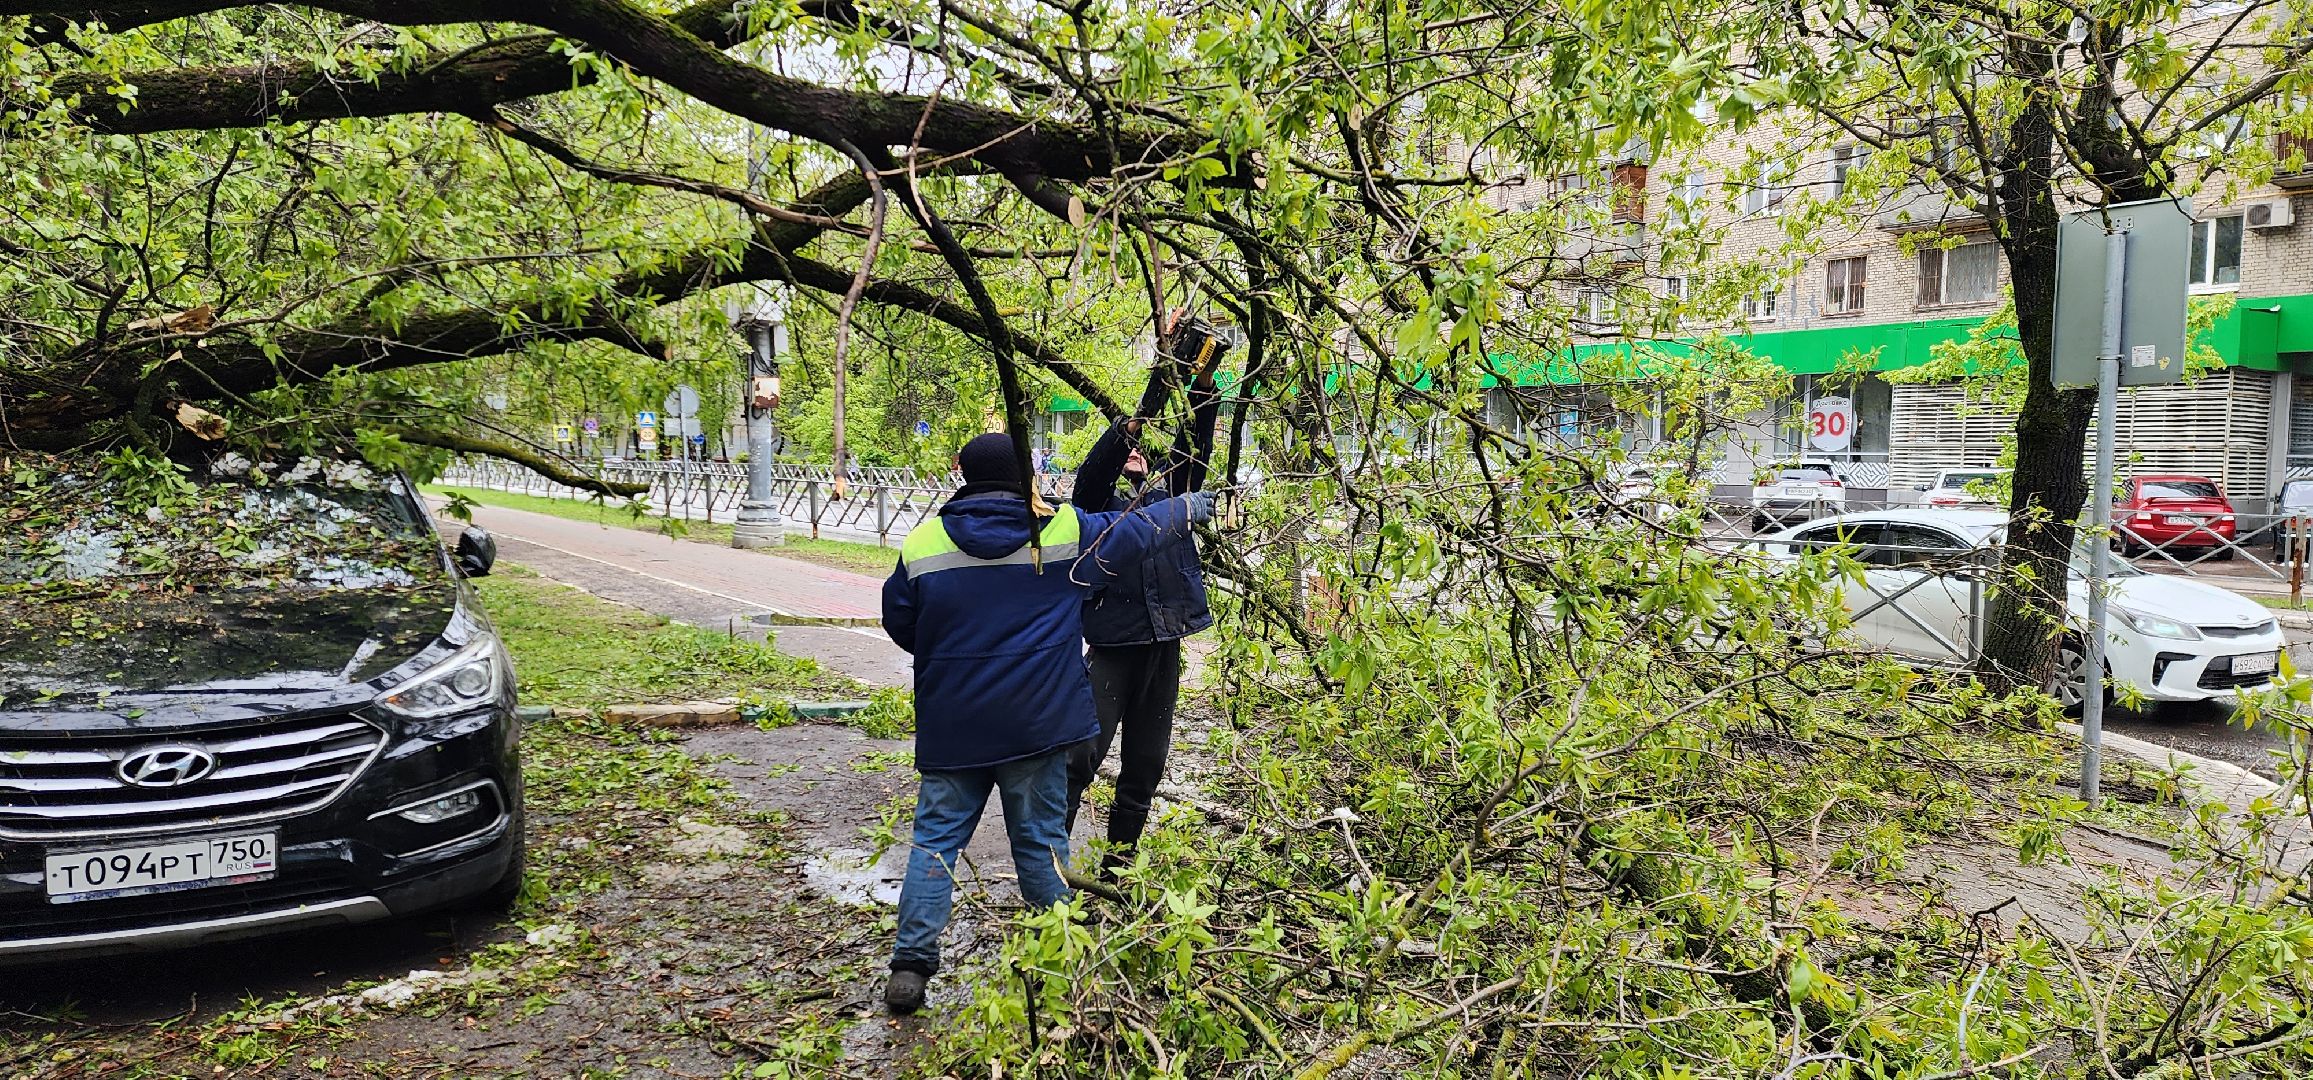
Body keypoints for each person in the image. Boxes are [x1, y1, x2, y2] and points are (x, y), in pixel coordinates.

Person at [879, 432, 1214, 1015]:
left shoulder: (923, 542)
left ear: (964, 477)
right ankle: (1058, 961)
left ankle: (910, 966)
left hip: (955, 726)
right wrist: (1187, 507)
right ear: (1025, 478)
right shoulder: (1056, 532)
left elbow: (901, 621)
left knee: (934, 842)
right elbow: (1132, 534)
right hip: (1036, 724)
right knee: (1038, 842)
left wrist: (953, 656)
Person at [1063, 323, 1227, 872]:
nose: (1135, 454)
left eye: (1141, 450)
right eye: (1129, 449)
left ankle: (1117, 868)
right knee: (1082, 757)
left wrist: (1202, 383)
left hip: (1163, 648)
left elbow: (1196, 450)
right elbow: (1096, 469)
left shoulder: (1169, 496)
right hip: (1114, 646)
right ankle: (1046, 863)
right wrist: (1138, 416)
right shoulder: (1095, 503)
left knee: (1146, 764)